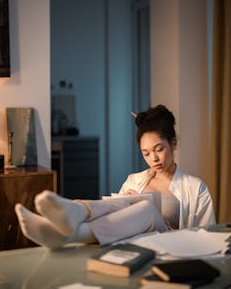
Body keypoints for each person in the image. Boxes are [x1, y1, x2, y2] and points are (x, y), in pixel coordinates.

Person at [15, 105, 216, 249]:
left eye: (159, 149)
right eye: (146, 153)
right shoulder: (134, 181)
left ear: (173, 144)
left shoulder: (196, 188)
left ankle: (73, 225)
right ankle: (74, 218)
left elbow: (208, 240)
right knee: (125, 203)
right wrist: (127, 202)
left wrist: (177, 235)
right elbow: (111, 223)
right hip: (134, 250)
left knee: (145, 207)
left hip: (170, 249)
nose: (153, 158)